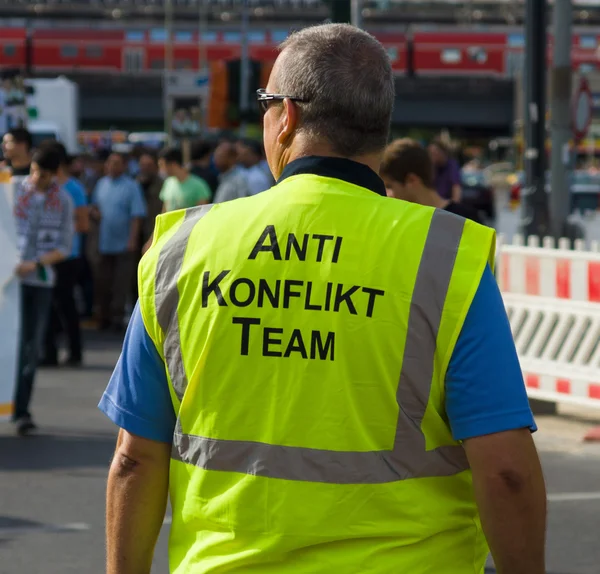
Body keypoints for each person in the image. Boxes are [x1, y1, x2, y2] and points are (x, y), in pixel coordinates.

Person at [100, 24, 546, 574]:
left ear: (286, 116)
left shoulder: (183, 248)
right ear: (379, 129)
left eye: (264, 105)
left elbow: (134, 459)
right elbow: (505, 470)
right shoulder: (446, 256)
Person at [13, 146, 74, 435]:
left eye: (44, 174)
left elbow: (64, 246)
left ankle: (21, 410)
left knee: (30, 347)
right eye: (34, 171)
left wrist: (34, 263)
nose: (37, 178)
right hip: (9, 283)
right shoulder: (12, 190)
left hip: (40, 281)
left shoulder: (62, 200)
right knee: (7, 344)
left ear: (55, 174)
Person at [42, 143, 89, 367]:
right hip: (46, 256)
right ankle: (49, 353)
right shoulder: (44, 189)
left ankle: (75, 351)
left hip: (68, 256)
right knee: (49, 307)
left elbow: (83, 223)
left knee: (66, 306)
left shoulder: (74, 189)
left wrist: (58, 229)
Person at [91, 152, 146, 331]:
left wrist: (132, 239)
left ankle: (117, 318)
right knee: (103, 282)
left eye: (116, 163)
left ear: (124, 166)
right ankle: (103, 317)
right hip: (104, 242)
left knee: (120, 283)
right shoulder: (101, 184)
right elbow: (95, 207)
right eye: (110, 162)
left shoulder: (131, 186)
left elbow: (136, 216)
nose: (112, 166)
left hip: (124, 244)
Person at [381, 138, 483, 223]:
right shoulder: (398, 221)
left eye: (390, 186)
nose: (387, 194)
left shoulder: (467, 221)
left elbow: (456, 186)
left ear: (412, 180)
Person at [158, 147, 211, 212]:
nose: (161, 170)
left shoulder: (199, 186)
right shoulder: (167, 183)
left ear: (173, 164)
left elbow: (202, 214)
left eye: (162, 165)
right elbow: (164, 211)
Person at [429, 139, 462, 203]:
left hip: (447, 204)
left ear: (443, 152)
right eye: (430, 153)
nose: (432, 156)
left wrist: (454, 205)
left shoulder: (451, 165)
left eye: (435, 153)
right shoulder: (431, 167)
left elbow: (456, 186)